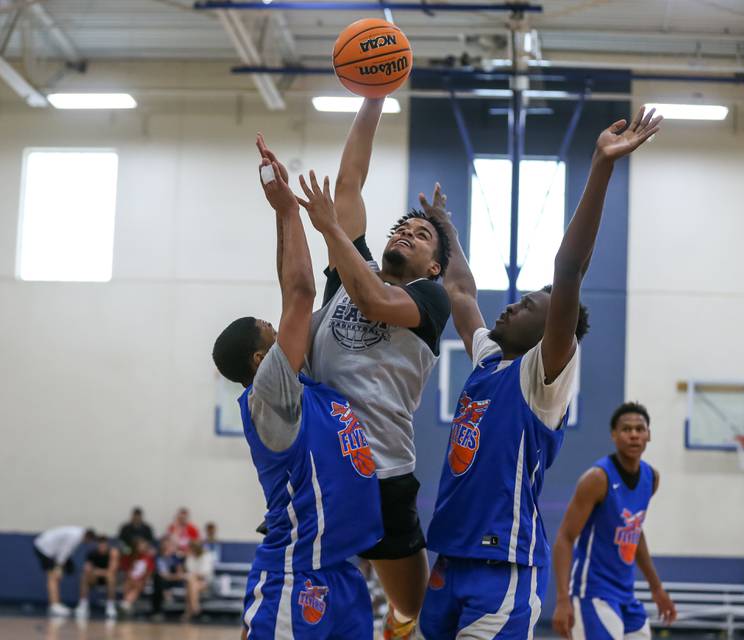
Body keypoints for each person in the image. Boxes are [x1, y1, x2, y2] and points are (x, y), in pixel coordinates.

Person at [417, 107, 663, 639]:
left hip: (500, 572)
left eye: (527, 305)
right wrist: (445, 229)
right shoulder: (487, 359)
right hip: (446, 562)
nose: (510, 307)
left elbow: (568, 268)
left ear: (554, 329)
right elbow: (459, 290)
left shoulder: (542, 379)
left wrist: (600, 164)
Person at [212, 135, 383, 639]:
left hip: (344, 573)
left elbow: (290, 288)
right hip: (296, 572)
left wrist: (280, 212)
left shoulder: (307, 390)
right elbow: (302, 292)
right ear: (261, 361)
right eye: (273, 327)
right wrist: (290, 209)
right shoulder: (269, 396)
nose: (285, 323)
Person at [299, 97, 451, 639]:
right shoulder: (351, 267)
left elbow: (375, 304)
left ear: (433, 266)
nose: (406, 232)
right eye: (400, 228)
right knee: (309, 590)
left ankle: (396, 621)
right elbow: (349, 183)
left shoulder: (432, 300)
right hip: (324, 461)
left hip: (383, 468)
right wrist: (374, 97)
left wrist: (332, 234)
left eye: (421, 234)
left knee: (414, 609)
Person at [552, 402, 677, 639]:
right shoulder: (597, 479)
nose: (633, 435)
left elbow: (635, 532)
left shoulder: (651, 478)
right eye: (626, 429)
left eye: (640, 429)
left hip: (626, 594)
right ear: (613, 435)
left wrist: (657, 588)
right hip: (592, 593)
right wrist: (562, 599)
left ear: (648, 435)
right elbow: (565, 538)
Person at [33, 526, 96, 617]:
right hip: (44, 548)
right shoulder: (75, 537)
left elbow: (65, 553)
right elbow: (64, 552)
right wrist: (59, 568)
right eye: (89, 542)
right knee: (53, 576)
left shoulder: (77, 533)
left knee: (58, 575)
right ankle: (54, 605)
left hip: (50, 549)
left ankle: (55, 603)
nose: (87, 544)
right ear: (88, 537)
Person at [75, 535, 120, 619]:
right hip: (94, 578)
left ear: (107, 545)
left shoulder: (113, 553)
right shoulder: (92, 553)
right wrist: (97, 572)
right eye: (100, 544)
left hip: (107, 579)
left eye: (104, 544)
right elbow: (87, 569)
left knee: (111, 577)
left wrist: (96, 571)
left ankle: (110, 606)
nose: (102, 546)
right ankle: (83, 604)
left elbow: (112, 570)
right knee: (84, 577)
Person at [151, 537, 185, 619]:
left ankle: (158, 609)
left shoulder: (175, 558)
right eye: (165, 545)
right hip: (160, 581)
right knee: (158, 580)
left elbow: (179, 574)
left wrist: (169, 576)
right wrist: (166, 576)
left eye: (169, 545)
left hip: (172, 580)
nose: (167, 547)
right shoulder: (157, 557)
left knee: (160, 581)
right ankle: (157, 611)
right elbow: (158, 573)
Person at [120, 538, 155, 615]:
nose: (142, 548)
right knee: (128, 583)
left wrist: (143, 579)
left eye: (143, 546)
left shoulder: (148, 558)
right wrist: (131, 577)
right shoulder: (129, 557)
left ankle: (125, 604)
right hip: (131, 579)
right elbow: (127, 570)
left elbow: (149, 572)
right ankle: (126, 604)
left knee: (138, 585)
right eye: (140, 546)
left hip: (141, 580)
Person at [183, 541, 215, 620]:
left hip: (206, 582)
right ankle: (196, 610)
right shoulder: (190, 557)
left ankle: (189, 612)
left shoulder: (207, 556)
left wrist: (194, 575)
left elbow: (205, 573)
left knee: (191, 585)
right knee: (193, 585)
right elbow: (189, 571)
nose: (190, 551)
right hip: (194, 581)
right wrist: (194, 575)